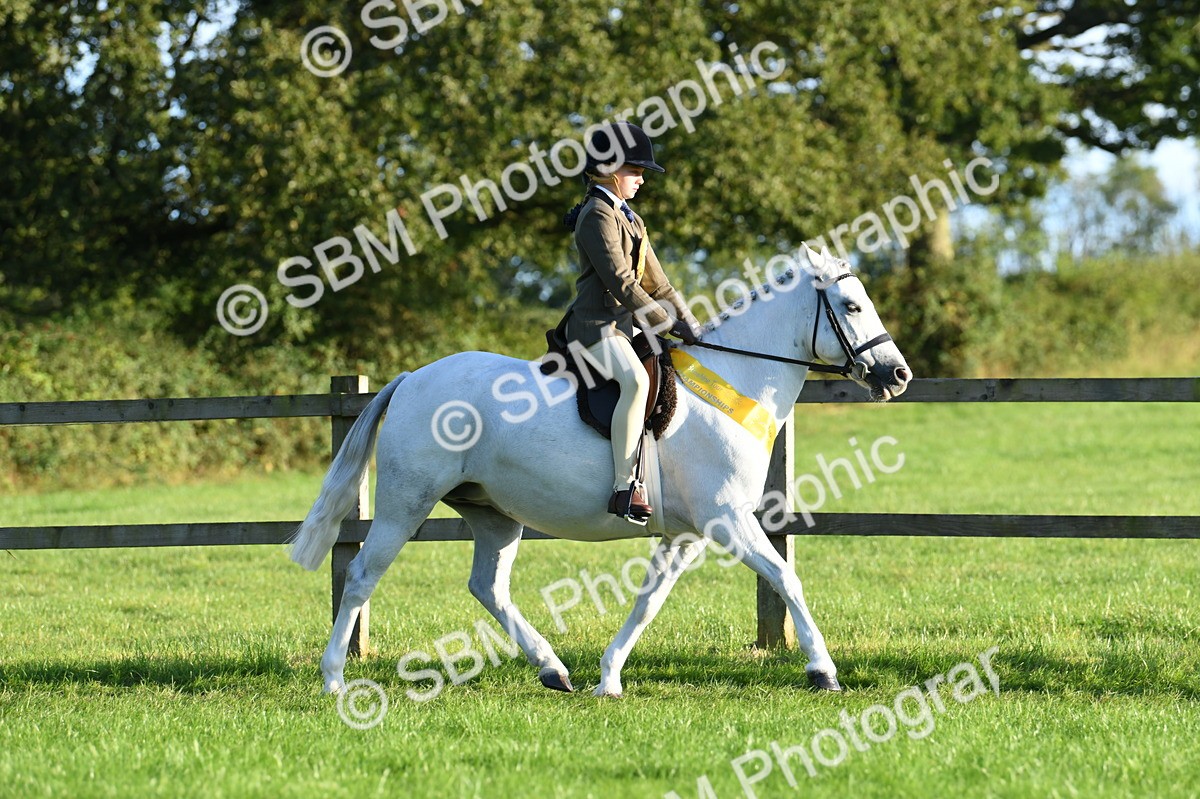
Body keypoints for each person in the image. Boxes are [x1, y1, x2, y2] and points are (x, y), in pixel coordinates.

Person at [555, 121, 703, 523]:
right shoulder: (596, 216)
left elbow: (660, 284)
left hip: (625, 327)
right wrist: (664, 322)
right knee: (635, 382)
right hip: (596, 328)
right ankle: (624, 488)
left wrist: (691, 324)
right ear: (608, 170)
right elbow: (622, 283)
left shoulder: (631, 218)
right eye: (634, 171)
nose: (641, 179)